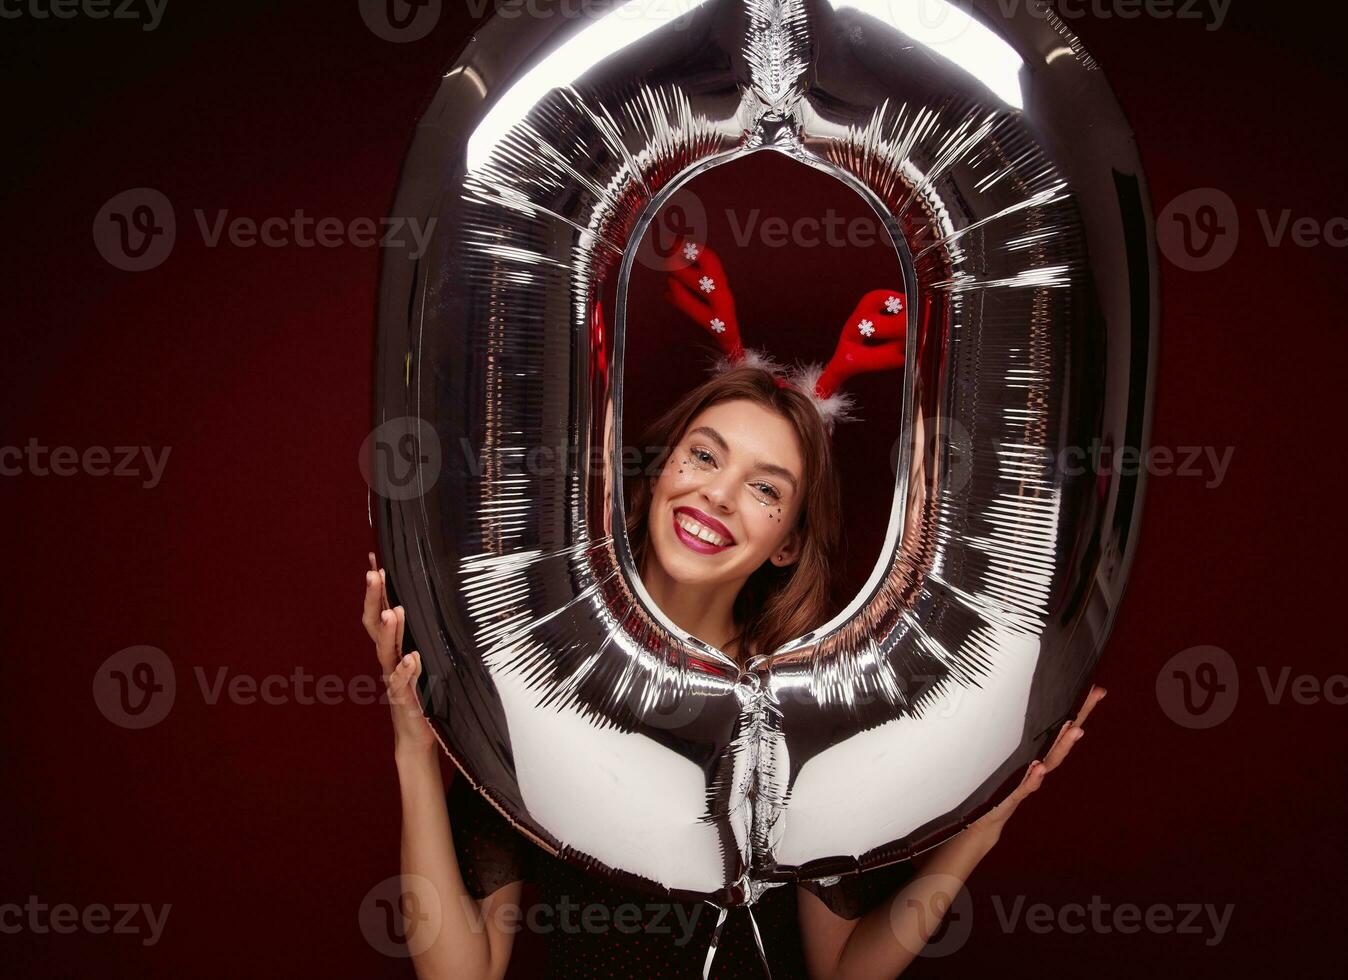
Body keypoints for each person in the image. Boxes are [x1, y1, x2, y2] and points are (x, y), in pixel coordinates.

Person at [361, 245, 1106, 978]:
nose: (718, 494)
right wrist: (416, 749)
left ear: (786, 543)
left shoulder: (804, 705)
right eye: (705, 456)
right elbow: (461, 970)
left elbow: (846, 969)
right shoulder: (547, 680)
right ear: (659, 473)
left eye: (766, 489)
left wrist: (984, 820)